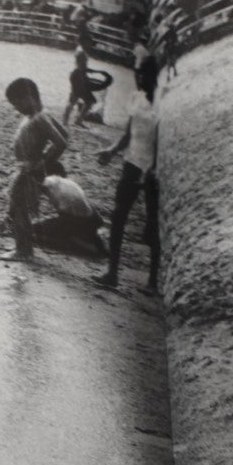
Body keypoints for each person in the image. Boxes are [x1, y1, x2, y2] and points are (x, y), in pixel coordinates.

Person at [95, 61, 161, 293]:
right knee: (118, 216)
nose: (141, 81)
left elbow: (163, 142)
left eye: (145, 77)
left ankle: (153, 282)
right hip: (131, 163)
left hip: (153, 170)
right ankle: (112, 272)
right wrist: (111, 151)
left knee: (151, 224)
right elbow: (128, 134)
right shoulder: (136, 98)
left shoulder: (164, 104)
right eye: (138, 76)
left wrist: (153, 169)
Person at [1, 78, 69, 263]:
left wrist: (43, 161)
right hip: (25, 167)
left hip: (29, 170)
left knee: (19, 210)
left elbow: (61, 142)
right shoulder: (40, 115)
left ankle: (23, 251)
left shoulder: (39, 118)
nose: (17, 109)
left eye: (18, 103)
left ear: (30, 97)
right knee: (19, 208)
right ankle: (23, 247)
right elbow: (65, 133)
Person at [33, 169, 106, 258]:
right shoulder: (57, 181)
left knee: (46, 231)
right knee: (46, 225)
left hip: (81, 220)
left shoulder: (56, 193)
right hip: (90, 215)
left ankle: (82, 243)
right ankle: (91, 241)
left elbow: (63, 217)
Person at [62, 49, 113, 128]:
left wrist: (98, 72)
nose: (85, 63)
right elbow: (84, 75)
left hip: (81, 85)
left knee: (88, 102)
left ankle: (77, 120)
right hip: (77, 85)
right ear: (79, 61)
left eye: (85, 61)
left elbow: (87, 71)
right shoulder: (77, 71)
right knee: (72, 101)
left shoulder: (81, 68)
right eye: (84, 61)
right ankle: (66, 121)